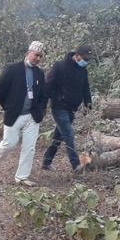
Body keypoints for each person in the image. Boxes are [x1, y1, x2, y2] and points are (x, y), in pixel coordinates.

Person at [0, 40, 50, 185]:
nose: (38, 59)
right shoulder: (12, 69)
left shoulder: (39, 73)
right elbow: (0, 90)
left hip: (32, 116)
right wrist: (8, 106)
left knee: (29, 147)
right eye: (36, 55)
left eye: (40, 56)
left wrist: (41, 110)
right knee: (9, 143)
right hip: (14, 114)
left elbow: (43, 94)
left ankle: (22, 177)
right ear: (28, 53)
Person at [42, 45, 94, 173]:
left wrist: (88, 104)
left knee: (59, 136)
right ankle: (76, 165)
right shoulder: (60, 66)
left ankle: (46, 161)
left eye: (88, 60)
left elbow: (85, 87)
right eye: (84, 59)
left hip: (72, 108)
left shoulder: (82, 70)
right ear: (77, 55)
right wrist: (43, 105)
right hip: (59, 106)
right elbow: (48, 85)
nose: (86, 62)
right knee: (69, 134)